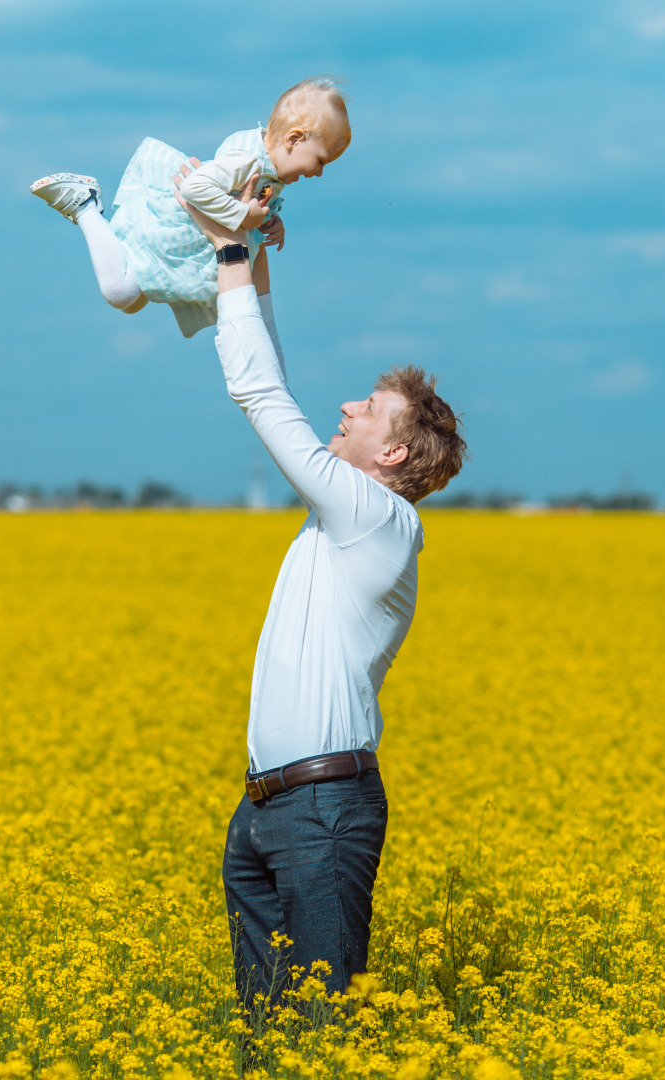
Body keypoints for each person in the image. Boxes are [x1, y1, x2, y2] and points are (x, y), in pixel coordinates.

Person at [171, 171, 467, 1008]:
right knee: (269, 1034)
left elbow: (262, 393)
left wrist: (227, 249)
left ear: (395, 455)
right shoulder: (344, 518)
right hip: (266, 804)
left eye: (368, 406)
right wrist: (256, 257)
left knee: (321, 1026)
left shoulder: (375, 518)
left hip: (322, 809)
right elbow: (276, 368)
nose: (345, 404)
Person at [29, 77, 350, 338]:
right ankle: (84, 204)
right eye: (320, 160)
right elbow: (194, 187)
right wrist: (243, 215)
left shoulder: (271, 168)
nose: (319, 172)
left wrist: (270, 219)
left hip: (189, 245)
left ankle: (89, 209)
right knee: (120, 292)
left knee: (134, 303)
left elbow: (258, 201)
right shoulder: (246, 159)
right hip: (175, 229)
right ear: (294, 139)